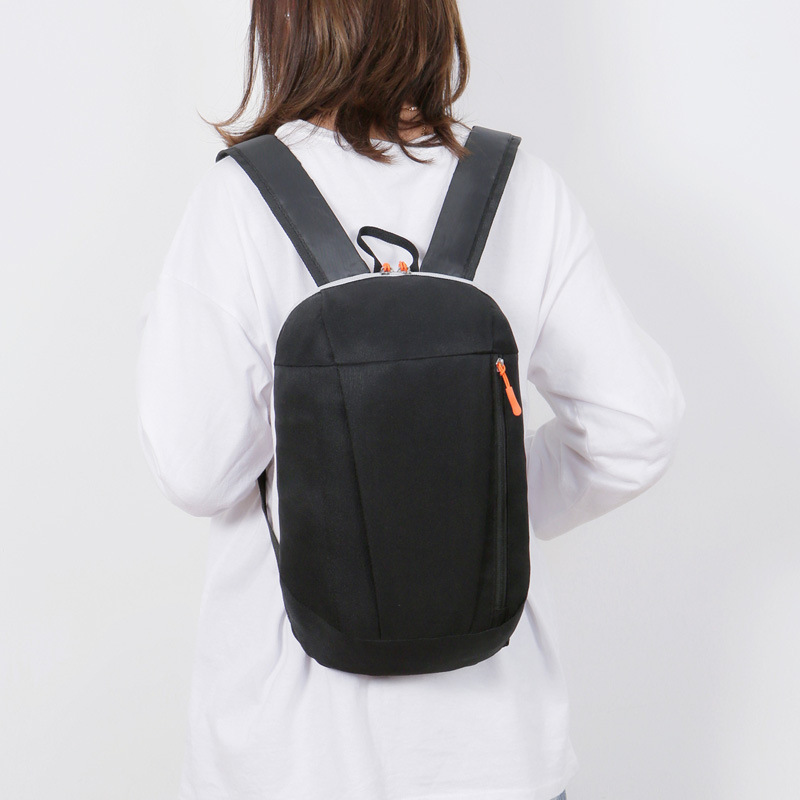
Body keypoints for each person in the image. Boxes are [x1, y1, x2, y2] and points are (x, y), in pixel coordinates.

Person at [135, 1, 686, 798]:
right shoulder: (523, 187)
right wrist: (477, 501)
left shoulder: (239, 201)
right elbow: (638, 427)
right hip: (496, 754)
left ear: (284, 20)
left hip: (292, 756)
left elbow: (195, 469)